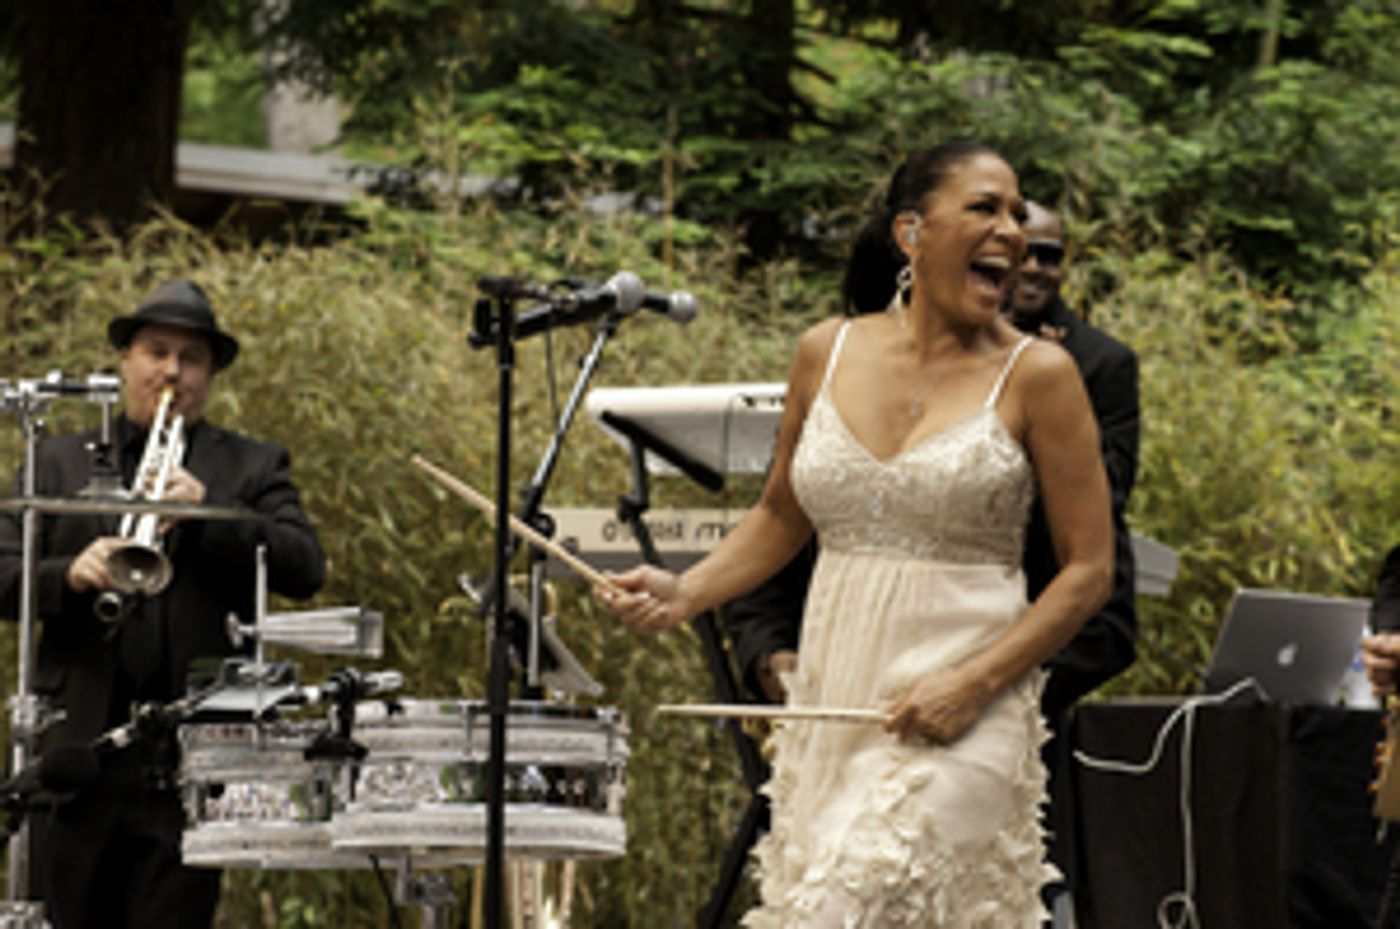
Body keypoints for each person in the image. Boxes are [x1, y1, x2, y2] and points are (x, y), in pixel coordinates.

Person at [597, 142, 1113, 925]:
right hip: (837, 698)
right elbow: (779, 516)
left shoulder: (1040, 374)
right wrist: (685, 589)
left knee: (844, 903)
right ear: (913, 232)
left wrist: (971, 683)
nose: (1012, 230)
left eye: (1017, 211)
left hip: (970, 704)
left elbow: (1088, 571)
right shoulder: (824, 349)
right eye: (984, 207)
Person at [0, 279, 326, 929]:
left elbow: (304, 566)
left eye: (192, 357)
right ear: (125, 359)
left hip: (190, 761)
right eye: (156, 350)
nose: (172, 370)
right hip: (72, 753)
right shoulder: (57, 461)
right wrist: (69, 573)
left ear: (211, 374)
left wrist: (207, 514)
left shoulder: (252, 467)